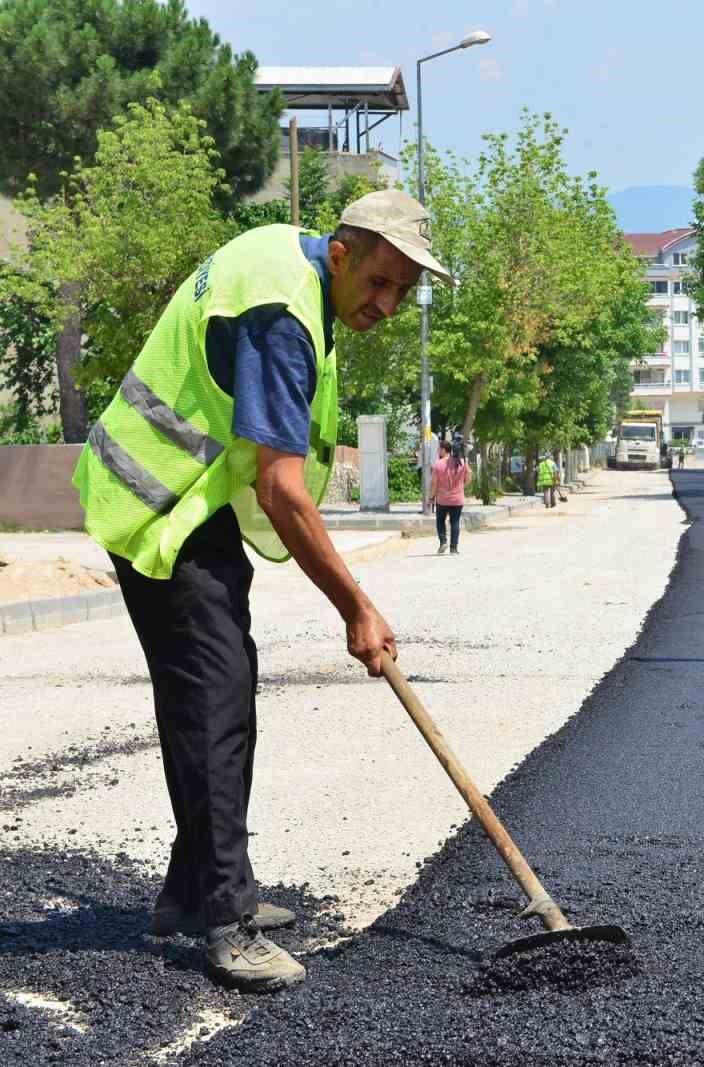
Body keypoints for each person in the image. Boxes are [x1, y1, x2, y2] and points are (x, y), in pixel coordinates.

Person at [70, 189, 453, 993]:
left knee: (224, 689)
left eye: (402, 292)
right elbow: (283, 489)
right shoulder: (284, 314)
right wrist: (358, 607)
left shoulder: (294, 260)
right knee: (212, 697)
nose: (386, 304)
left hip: (194, 503)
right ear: (341, 253)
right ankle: (225, 920)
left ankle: (194, 889)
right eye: (379, 281)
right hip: (159, 507)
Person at [429, 437, 470, 555]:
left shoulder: (438, 464)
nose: (437, 451)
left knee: (440, 521)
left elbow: (434, 484)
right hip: (458, 499)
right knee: (455, 522)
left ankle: (443, 542)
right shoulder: (462, 463)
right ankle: (454, 548)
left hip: (442, 499)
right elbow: (468, 478)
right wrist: (460, 487)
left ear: (443, 450)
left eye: (438, 449)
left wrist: (431, 497)